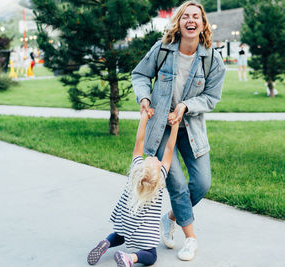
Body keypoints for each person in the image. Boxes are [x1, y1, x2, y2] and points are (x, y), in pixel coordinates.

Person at [131, 1, 226, 261]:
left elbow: (211, 98)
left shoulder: (212, 59)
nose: (191, 20)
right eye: (186, 16)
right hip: (161, 128)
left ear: (203, 24)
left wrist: (186, 105)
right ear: (179, 22)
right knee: (178, 185)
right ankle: (191, 239)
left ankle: (171, 216)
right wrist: (144, 98)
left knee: (202, 183)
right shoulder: (162, 49)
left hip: (191, 128)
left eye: (196, 16)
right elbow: (140, 75)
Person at [87, 111, 180, 266]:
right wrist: (175, 126)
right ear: (158, 178)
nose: (155, 157)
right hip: (143, 230)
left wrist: (143, 118)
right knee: (151, 256)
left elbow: (139, 141)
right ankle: (130, 258)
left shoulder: (135, 172)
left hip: (125, 220)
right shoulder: (158, 183)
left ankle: (106, 243)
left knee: (120, 235)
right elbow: (169, 150)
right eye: (155, 160)